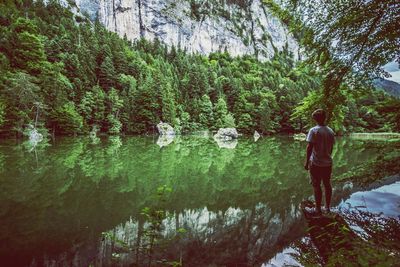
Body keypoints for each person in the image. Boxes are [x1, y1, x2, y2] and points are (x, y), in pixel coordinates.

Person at [304, 109, 335, 215]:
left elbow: (309, 148)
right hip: (328, 163)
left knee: (316, 185)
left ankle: (317, 209)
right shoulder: (330, 131)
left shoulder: (313, 130)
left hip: (316, 163)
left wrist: (306, 162)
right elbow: (331, 148)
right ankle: (327, 208)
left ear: (315, 119)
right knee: (327, 184)